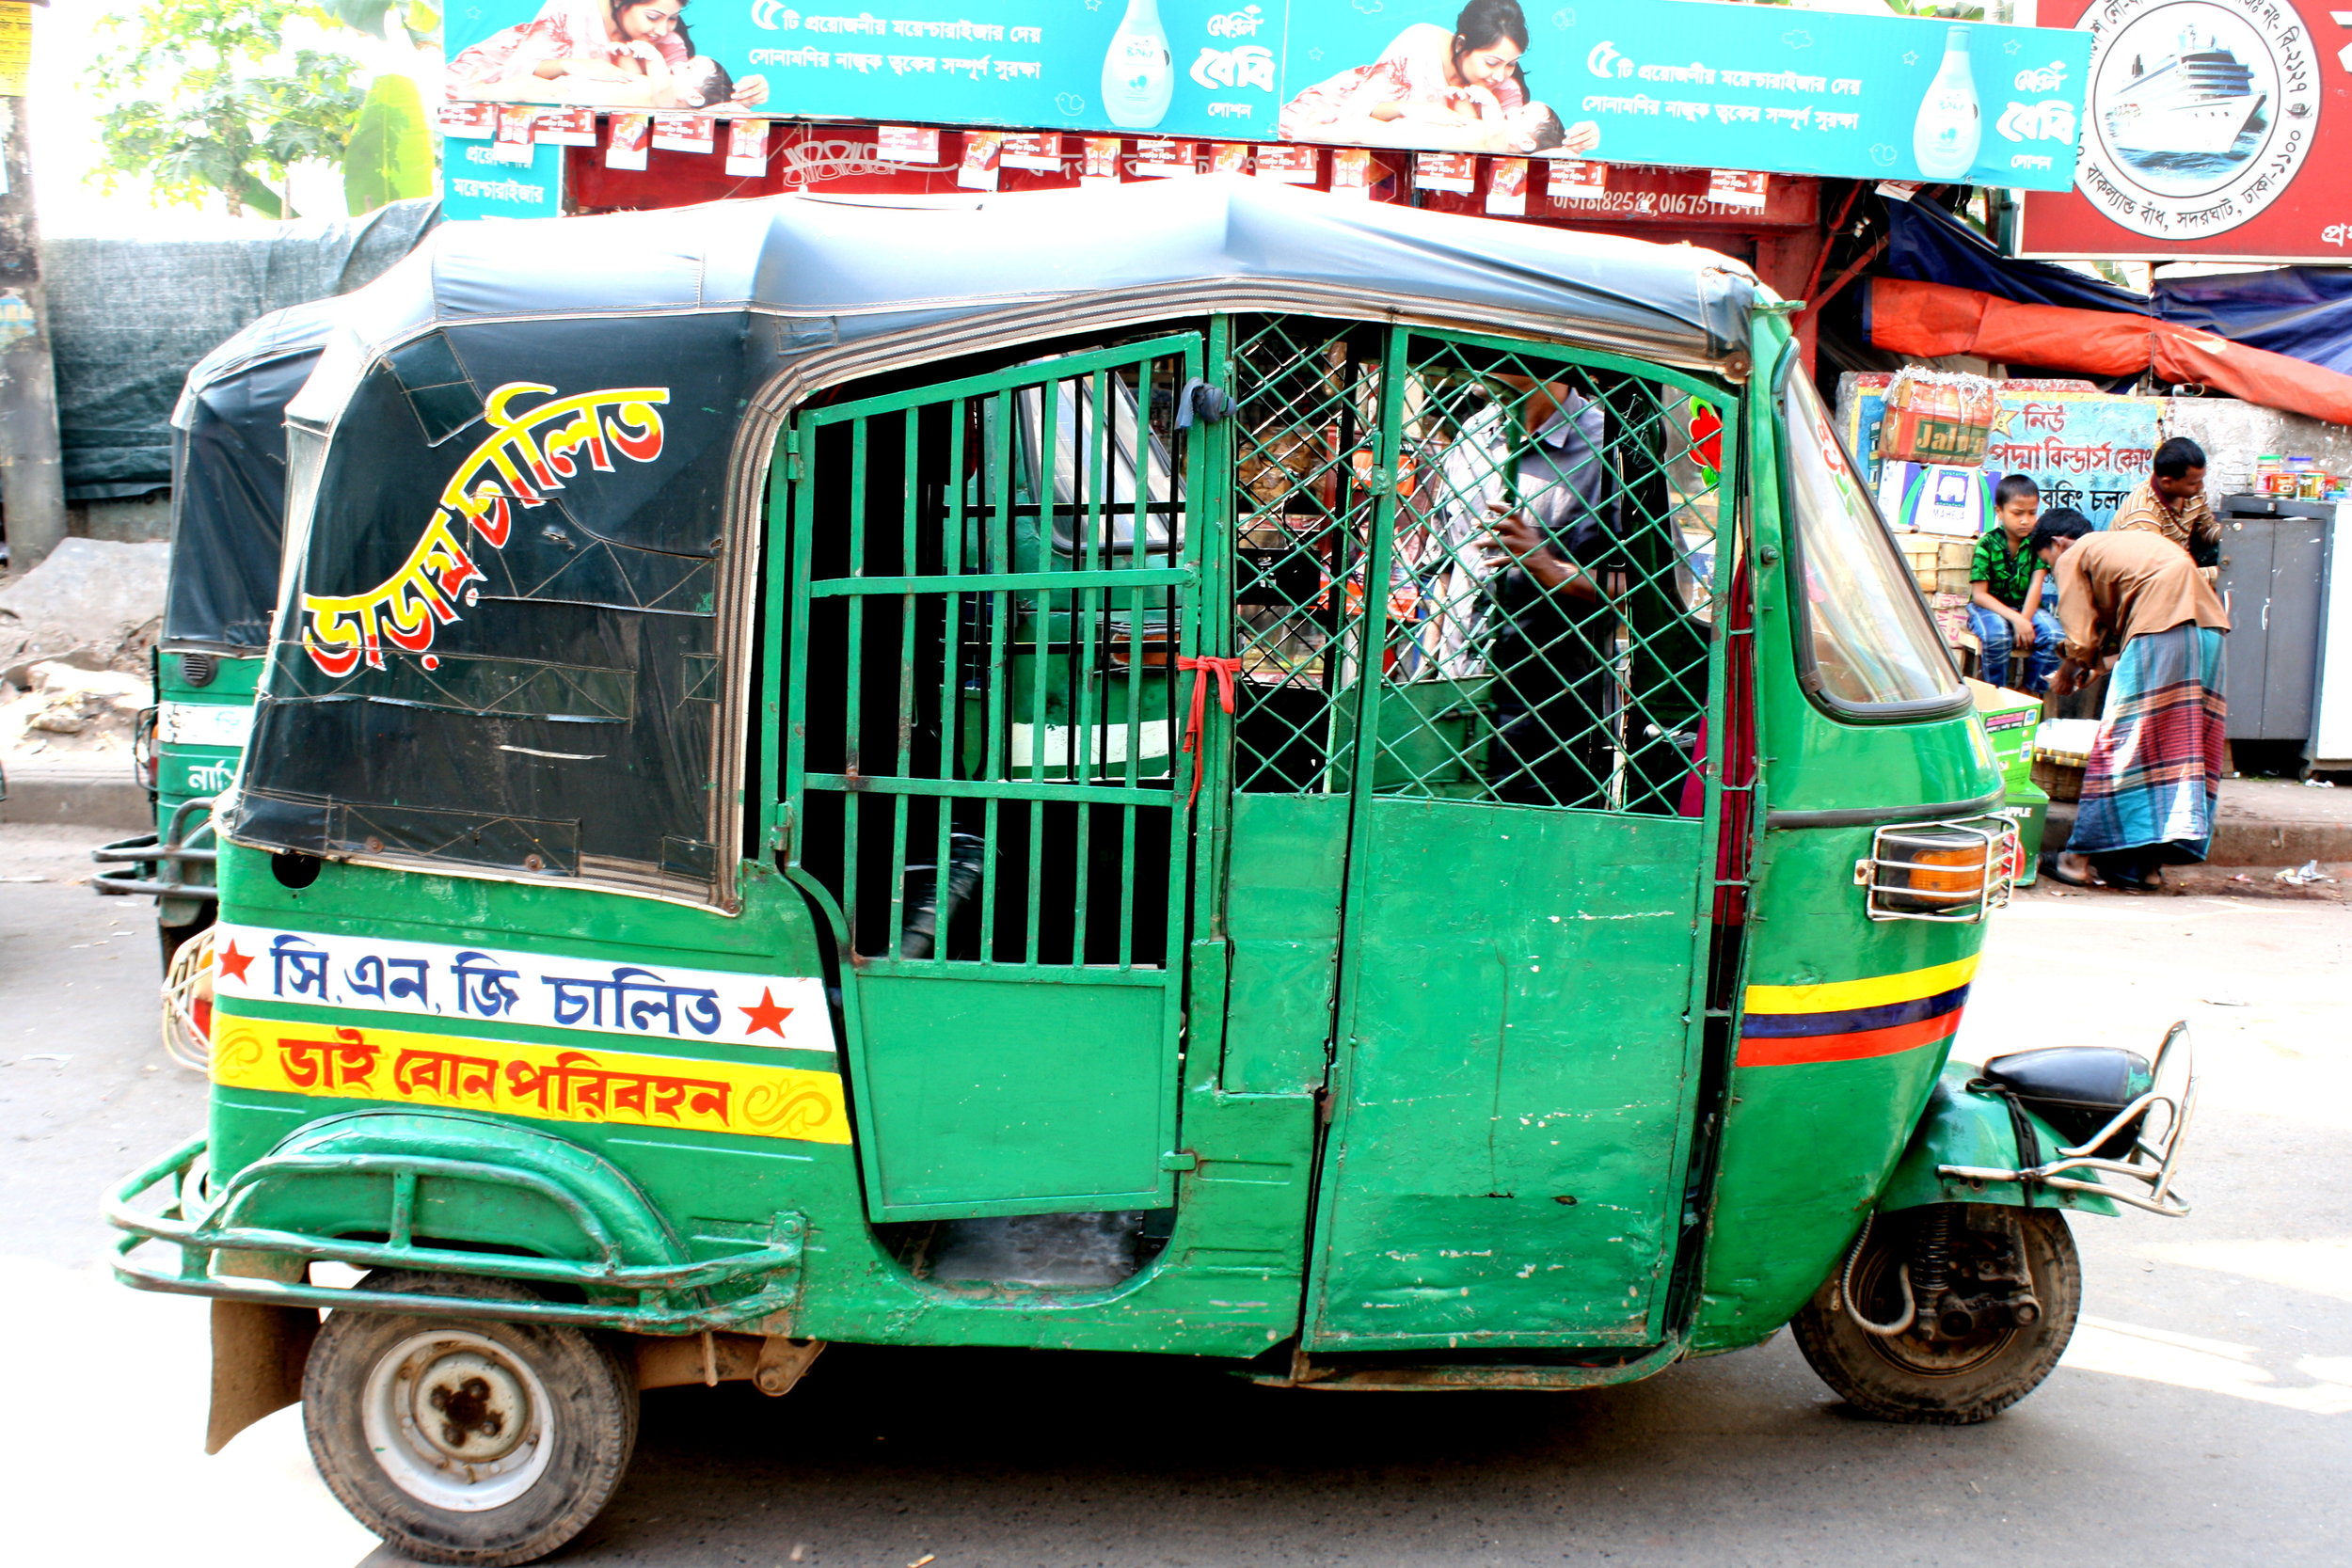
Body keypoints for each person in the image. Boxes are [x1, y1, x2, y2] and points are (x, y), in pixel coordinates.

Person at [2030, 512, 2231, 892]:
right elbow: (2112, 646)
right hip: (2209, 634)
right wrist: (2090, 667)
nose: (2054, 570)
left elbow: (2081, 639)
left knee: (2123, 744)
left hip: (2163, 631)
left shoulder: (2074, 555)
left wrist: (2066, 674)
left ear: (2058, 543)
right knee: (2175, 753)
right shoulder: (2121, 547)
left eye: (2048, 563)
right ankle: (2144, 868)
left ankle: (2076, 861)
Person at [1278, 0, 1599, 154]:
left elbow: (1526, 142)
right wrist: (1409, 109)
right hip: (1347, 116)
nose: (1500, 75)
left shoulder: (1505, 90)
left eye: (1511, 63)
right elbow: (1361, 109)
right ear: (1461, 45)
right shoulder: (1420, 44)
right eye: (1491, 62)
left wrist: (1581, 139)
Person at [449, 0, 769, 109]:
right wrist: (569, 64)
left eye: (672, 18)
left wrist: (742, 96)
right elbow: (517, 71)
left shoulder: (666, 41)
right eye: (654, 17)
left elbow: (685, 99)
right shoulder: (573, 11)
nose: (662, 30)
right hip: (506, 88)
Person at [1966, 474, 2062, 693]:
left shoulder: (2037, 545)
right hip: (1988, 608)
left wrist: (2024, 620)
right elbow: (1980, 595)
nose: (2025, 520)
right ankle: (1995, 693)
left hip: (2025, 607)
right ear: (1999, 511)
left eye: (2032, 513)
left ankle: (2029, 690)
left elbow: (2035, 586)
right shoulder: (1987, 544)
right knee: (1998, 636)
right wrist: (2016, 619)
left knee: (2055, 637)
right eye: (2017, 513)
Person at [2112, 436, 2220, 578]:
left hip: (2178, 563)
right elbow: (2155, 574)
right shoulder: (2143, 512)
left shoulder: (2193, 494)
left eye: (2201, 480)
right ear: (2167, 483)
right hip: (2148, 577)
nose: (2201, 487)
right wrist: (2219, 575)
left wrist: (2239, 537)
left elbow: (2207, 529)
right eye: (2193, 483)